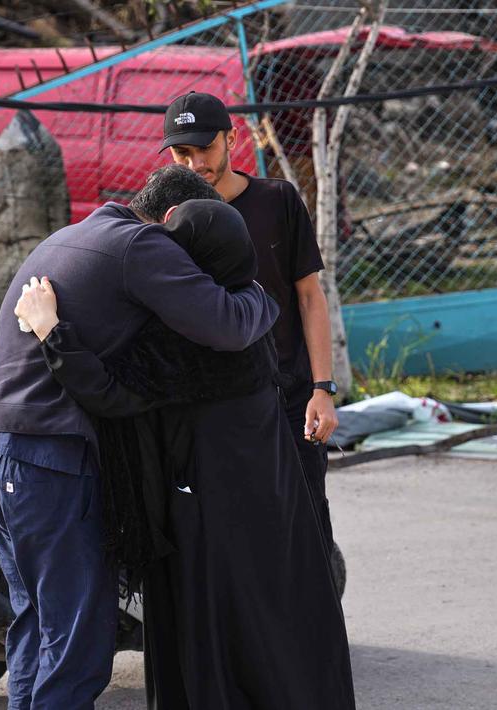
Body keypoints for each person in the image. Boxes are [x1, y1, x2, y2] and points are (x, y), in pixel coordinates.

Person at [13, 199, 355, 710]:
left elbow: (110, 393)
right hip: (272, 506)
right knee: (275, 627)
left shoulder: (191, 339)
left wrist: (52, 333)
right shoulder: (249, 312)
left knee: (214, 636)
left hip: (208, 516)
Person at [0, 164, 280, 710]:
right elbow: (229, 326)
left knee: (37, 628)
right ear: (172, 217)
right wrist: (265, 296)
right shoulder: (143, 244)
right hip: (54, 460)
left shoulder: (74, 233)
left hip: (0, 452)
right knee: (77, 643)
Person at [159, 91, 342, 568]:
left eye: (206, 148)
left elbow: (308, 296)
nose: (196, 162)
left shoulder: (277, 200)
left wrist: (322, 389)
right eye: (183, 153)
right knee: (234, 534)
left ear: (232, 139)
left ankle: (317, 636)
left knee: (306, 525)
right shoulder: (170, 219)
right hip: (216, 406)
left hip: (289, 397)